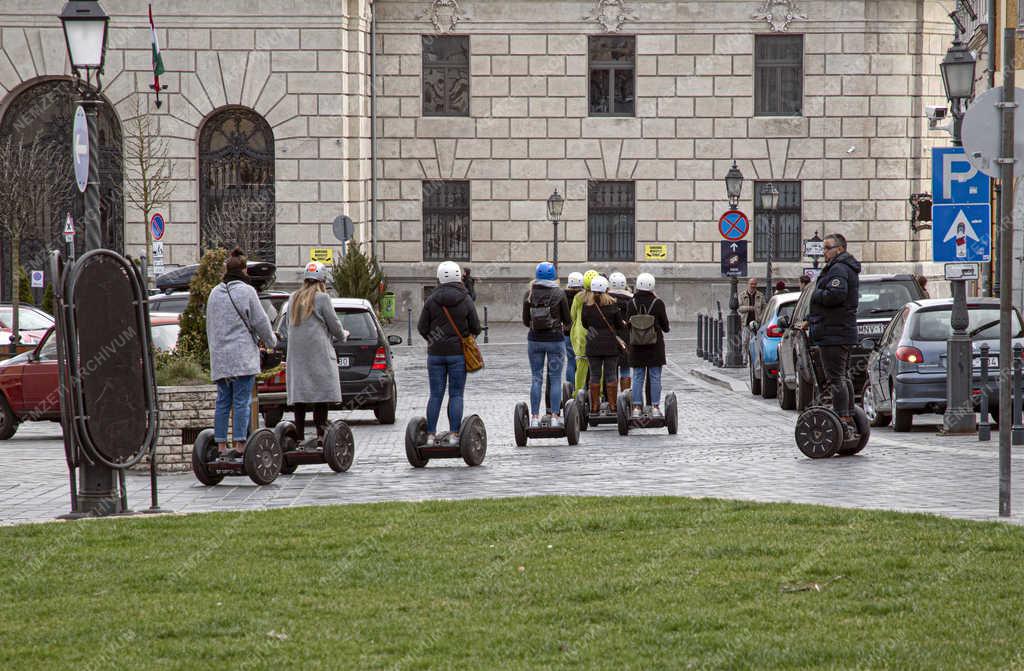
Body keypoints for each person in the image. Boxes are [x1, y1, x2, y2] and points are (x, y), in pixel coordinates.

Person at [206, 248, 277, 459]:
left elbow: (210, 325)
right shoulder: (247, 292)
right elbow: (261, 322)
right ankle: (239, 445)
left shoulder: (214, 293)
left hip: (221, 359)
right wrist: (272, 341)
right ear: (244, 270)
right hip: (242, 358)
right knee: (241, 401)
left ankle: (219, 446)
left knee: (222, 401)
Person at [278, 261, 347, 447]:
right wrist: (343, 335)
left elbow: (283, 328)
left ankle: (299, 437)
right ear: (322, 279)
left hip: (297, 357)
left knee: (300, 397)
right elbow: (334, 325)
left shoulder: (292, 298)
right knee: (321, 395)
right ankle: (321, 435)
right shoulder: (322, 298)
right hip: (318, 355)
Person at [417, 260, 481, 446]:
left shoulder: (431, 299)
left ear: (439, 278)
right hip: (457, 354)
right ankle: (454, 435)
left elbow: (422, 327)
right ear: (458, 277)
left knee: (435, 394)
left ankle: (430, 435)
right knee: (456, 394)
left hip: (435, 354)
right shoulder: (465, 298)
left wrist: (433, 340)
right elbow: (475, 326)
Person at [808, 233, 862, 441]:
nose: (824, 252)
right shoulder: (844, 267)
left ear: (839, 249)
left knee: (836, 378)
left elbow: (836, 295)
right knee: (843, 375)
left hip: (834, 333)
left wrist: (816, 293)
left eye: (827, 248)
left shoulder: (839, 268)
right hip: (840, 330)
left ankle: (843, 419)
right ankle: (846, 416)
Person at [522, 262, 572, 428]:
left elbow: (525, 321)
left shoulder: (529, 294)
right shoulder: (559, 293)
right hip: (555, 340)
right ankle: (555, 417)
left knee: (536, 379)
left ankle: (535, 418)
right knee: (555, 379)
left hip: (534, 340)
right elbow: (567, 320)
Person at [626, 273, 671, 418]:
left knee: (638, 376)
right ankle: (655, 407)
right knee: (655, 376)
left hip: (637, 346)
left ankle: (637, 408)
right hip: (654, 346)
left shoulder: (631, 303)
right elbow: (665, 327)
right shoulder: (658, 303)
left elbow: (627, 324)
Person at [581, 275, 626, 414]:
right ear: (606, 288)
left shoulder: (587, 306)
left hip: (593, 344)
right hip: (610, 345)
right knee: (611, 374)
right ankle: (612, 406)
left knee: (595, 375)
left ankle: (594, 407)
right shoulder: (612, 305)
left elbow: (584, 324)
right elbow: (619, 325)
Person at [570, 269, 600, 395]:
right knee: (598, 366)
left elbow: (572, 315)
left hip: (580, 335)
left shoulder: (578, 297)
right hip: (596, 334)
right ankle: (598, 394)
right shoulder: (600, 297)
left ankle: (578, 393)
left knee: (581, 366)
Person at [608, 271, 633, 392]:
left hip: (610, 338)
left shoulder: (605, 300)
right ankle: (625, 398)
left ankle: (611, 402)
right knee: (625, 369)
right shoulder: (631, 301)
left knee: (611, 370)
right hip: (626, 339)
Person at [738, 278, 765, 365]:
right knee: (744, 342)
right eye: (751, 284)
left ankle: (754, 360)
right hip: (746, 322)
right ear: (748, 284)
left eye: (754, 284)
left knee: (755, 342)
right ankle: (745, 360)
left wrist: (761, 318)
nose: (753, 286)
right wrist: (749, 308)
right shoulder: (742, 295)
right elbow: (739, 308)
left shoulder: (760, 295)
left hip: (756, 323)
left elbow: (764, 308)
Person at [563, 272, 584, 385]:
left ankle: (569, 387)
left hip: (567, 333)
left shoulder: (563, 295)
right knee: (583, 361)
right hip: (581, 333)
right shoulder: (584, 297)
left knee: (571, 361)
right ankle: (581, 387)